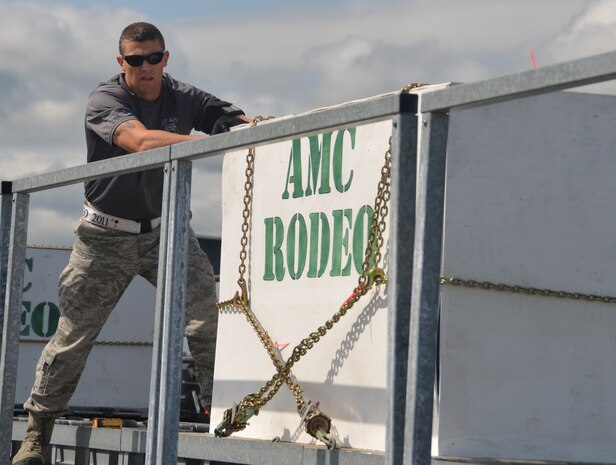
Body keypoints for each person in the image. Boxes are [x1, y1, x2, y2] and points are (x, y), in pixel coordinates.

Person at [12, 22, 251, 465]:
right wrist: (200, 143)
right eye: (136, 60)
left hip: (167, 232)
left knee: (207, 322)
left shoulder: (182, 95)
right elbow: (139, 142)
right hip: (104, 236)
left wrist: (246, 129)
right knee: (74, 337)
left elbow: (230, 119)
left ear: (166, 58)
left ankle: (228, 426)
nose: (146, 67)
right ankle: (37, 435)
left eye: (154, 58)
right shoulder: (106, 100)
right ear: (120, 63)